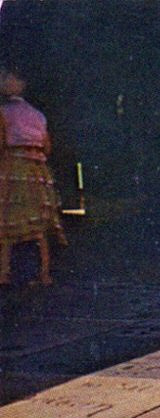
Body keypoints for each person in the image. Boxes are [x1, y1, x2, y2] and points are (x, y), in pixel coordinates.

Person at [0, 67, 65, 286]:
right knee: (37, 226)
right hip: (37, 171)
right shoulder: (37, 115)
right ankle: (44, 273)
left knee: (7, 221)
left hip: (13, 168)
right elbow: (47, 147)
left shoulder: (3, 112)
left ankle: (4, 272)